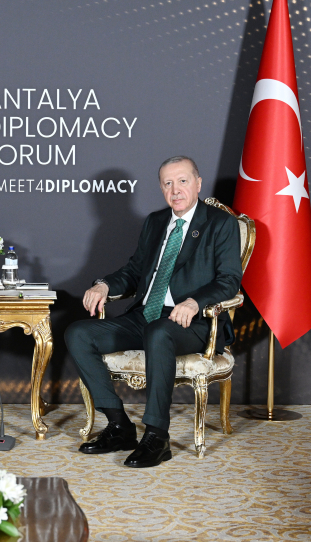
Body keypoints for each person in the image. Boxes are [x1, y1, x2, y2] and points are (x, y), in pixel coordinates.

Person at [65, 156, 242, 468]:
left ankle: (157, 437)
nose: (175, 190)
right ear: (161, 188)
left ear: (198, 183)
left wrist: (194, 302)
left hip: (193, 322)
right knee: (78, 333)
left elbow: (229, 280)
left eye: (183, 181)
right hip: (147, 315)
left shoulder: (220, 223)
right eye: (168, 183)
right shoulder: (155, 221)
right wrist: (104, 285)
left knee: (159, 332)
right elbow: (135, 271)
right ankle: (119, 426)